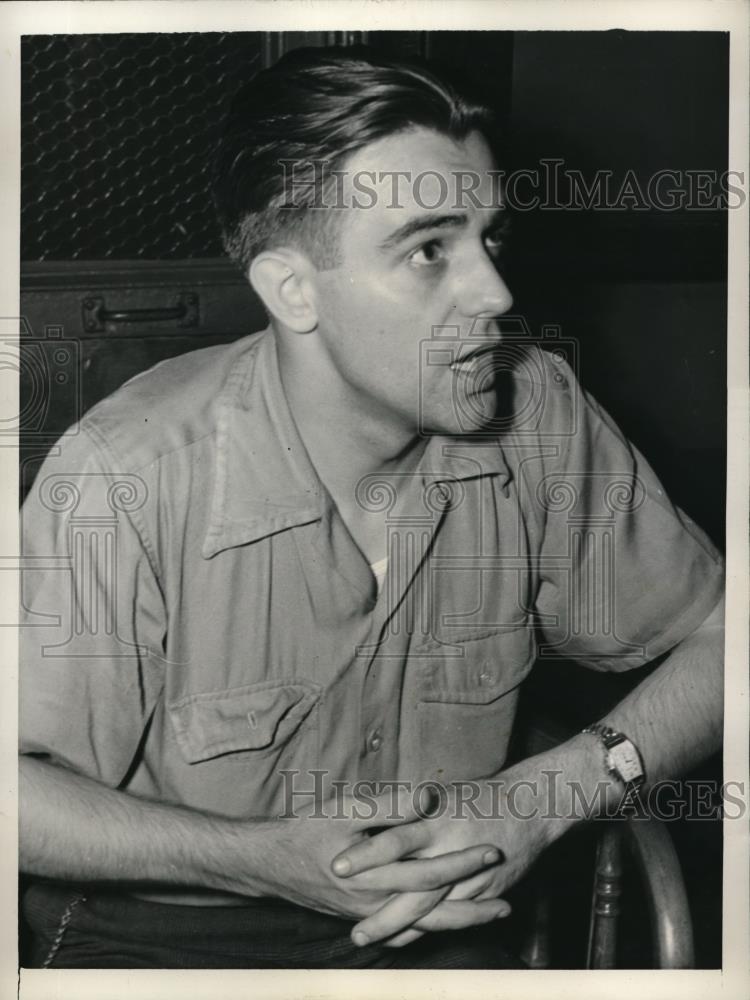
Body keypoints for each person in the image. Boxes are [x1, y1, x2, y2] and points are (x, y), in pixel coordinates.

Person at [19, 46, 724, 969]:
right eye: (429, 249)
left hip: (446, 922)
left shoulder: (538, 414)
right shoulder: (124, 475)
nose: (497, 293)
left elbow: (727, 637)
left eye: (490, 237)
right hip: (166, 938)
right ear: (293, 291)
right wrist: (262, 862)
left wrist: (543, 800)